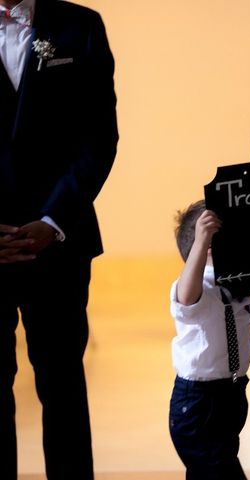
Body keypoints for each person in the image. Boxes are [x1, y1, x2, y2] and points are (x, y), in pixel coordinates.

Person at [0, 0, 118, 478]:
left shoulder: (81, 25)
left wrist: (54, 220)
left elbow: (99, 136)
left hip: (60, 242)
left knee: (63, 380)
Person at [168, 200, 250, 479]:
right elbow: (187, 298)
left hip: (232, 392)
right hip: (199, 401)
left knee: (212, 468)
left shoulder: (242, 278)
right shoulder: (197, 283)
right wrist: (202, 243)